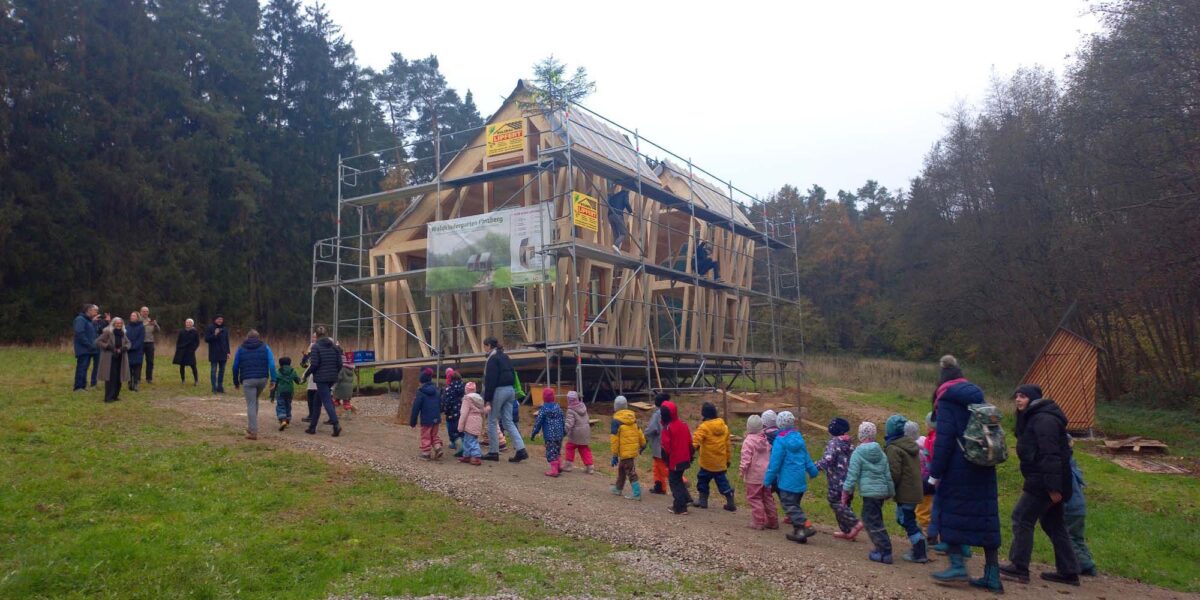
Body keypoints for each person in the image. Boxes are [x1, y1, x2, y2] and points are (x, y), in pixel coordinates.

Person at [928, 374, 1003, 593]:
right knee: (987, 520)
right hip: (984, 467)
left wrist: (935, 474)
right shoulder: (979, 399)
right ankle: (992, 575)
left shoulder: (948, 402)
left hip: (958, 469)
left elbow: (944, 441)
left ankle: (957, 566)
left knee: (951, 516)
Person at [1000, 384, 1081, 586]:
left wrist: (1054, 487)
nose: (1018, 400)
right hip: (1044, 478)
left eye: (1023, 396)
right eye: (1017, 396)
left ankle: (1019, 567)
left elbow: (1051, 454)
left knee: (1022, 518)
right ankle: (1069, 571)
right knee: (1054, 524)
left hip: (1044, 480)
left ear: (1033, 399)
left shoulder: (1043, 419)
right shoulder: (1035, 417)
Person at [843, 422, 895, 563]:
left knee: (870, 521)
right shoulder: (881, 453)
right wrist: (891, 491)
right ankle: (882, 549)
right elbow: (887, 474)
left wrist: (846, 491)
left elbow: (852, 474)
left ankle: (885, 550)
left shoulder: (858, 453)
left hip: (869, 493)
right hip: (881, 493)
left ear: (861, 435)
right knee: (875, 518)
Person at [764, 411, 819, 543]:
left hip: (787, 482)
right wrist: (813, 471)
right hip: (800, 481)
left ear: (779, 424)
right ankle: (799, 532)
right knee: (795, 506)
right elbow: (806, 457)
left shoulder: (780, 440)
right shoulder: (799, 438)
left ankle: (806, 525)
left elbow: (775, 462)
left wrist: (767, 480)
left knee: (789, 506)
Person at [886, 415, 929, 563]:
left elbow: (894, 472)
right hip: (915, 490)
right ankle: (920, 542)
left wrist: (888, 489)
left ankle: (919, 551)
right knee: (903, 518)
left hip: (906, 492)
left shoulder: (894, 448)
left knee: (907, 520)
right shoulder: (911, 445)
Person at [816, 417, 863, 540]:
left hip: (836, 481)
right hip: (849, 481)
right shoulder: (850, 443)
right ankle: (847, 531)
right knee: (845, 504)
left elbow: (828, 459)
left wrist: (815, 467)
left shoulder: (834, 442)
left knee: (835, 502)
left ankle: (854, 522)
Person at [482, 337, 527, 462]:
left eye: (485, 346)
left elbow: (490, 380)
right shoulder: (505, 357)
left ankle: (493, 451)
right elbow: (512, 373)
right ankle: (521, 449)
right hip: (510, 390)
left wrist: (487, 399)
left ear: (489, 346)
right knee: (508, 422)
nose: (484, 349)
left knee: (492, 420)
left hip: (499, 390)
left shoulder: (492, 359)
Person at [231, 330, 277, 441]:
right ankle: (252, 426)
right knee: (255, 400)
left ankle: (253, 431)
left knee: (251, 404)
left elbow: (235, 366)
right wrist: (273, 379)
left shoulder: (241, 348)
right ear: (258, 337)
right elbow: (271, 364)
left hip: (248, 380)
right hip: (262, 379)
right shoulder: (265, 347)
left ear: (247, 337)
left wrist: (236, 382)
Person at [692, 402, 735, 511]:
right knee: (722, 482)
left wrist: (690, 450)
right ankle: (730, 500)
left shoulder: (704, 427)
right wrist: (728, 460)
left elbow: (695, 441)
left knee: (702, 480)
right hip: (720, 462)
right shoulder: (724, 427)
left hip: (707, 463)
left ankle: (703, 501)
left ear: (704, 414)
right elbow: (727, 445)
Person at [1064, 441, 1097, 577]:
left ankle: (1085, 564)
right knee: (1078, 538)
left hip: (1070, 508)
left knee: (1068, 537)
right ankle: (1088, 561)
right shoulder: (1073, 467)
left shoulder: (1065, 470)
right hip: (1079, 508)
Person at [739, 414, 777, 530]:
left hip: (754, 476)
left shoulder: (748, 442)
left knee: (754, 498)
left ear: (748, 427)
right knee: (767, 498)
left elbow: (746, 458)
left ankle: (758, 521)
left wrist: (742, 470)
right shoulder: (765, 440)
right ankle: (773, 521)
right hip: (766, 474)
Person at [303, 327, 342, 437]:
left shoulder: (316, 347)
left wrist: (306, 374)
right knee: (317, 401)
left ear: (317, 335)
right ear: (326, 334)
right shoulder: (334, 346)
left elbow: (314, 364)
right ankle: (312, 427)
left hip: (321, 378)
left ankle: (336, 424)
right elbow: (340, 363)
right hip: (332, 377)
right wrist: (334, 373)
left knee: (327, 401)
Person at [660, 400, 695, 515]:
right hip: (685, 458)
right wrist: (691, 455)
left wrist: (665, 460)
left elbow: (666, 447)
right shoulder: (683, 424)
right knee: (679, 480)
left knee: (674, 482)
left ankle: (680, 507)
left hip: (674, 460)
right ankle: (686, 499)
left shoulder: (668, 428)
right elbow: (690, 442)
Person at [608, 395, 646, 498]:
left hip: (625, 451)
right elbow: (639, 431)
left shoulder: (616, 421)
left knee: (630, 471)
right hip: (632, 449)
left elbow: (614, 439)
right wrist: (643, 443)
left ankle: (637, 493)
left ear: (616, 407)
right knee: (622, 469)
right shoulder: (632, 417)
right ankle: (618, 488)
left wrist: (615, 454)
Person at [531, 388, 567, 477]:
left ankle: (554, 470)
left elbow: (538, 421)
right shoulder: (558, 407)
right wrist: (564, 431)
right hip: (559, 434)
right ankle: (559, 465)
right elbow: (563, 419)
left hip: (549, 435)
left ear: (544, 398)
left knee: (551, 452)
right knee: (557, 450)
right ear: (553, 397)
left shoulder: (543, 409)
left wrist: (534, 432)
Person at [409, 367, 443, 459]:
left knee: (426, 435)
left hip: (426, 419)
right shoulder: (436, 390)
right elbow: (440, 403)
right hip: (436, 417)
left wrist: (413, 421)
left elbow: (416, 408)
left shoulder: (420, 392)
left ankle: (426, 453)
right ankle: (438, 447)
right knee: (434, 434)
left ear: (421, 381)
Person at [95, 317, 131, 403]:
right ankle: (108, 397)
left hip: (120, 358)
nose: (119, 325)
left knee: (119, 377)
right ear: (113, 324)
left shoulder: (123, 333)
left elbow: (128, 343)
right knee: (111, 378)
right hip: (110, 359)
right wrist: (108, 346)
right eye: (117, 323)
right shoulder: (108, 332)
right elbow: (98, 341)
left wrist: (124, 348)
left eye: (120, 323)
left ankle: (115, 396)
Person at [643, 392, 670, 493]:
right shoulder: (670, 412)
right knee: (656, 466)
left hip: (659, 444)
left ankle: (682, 480)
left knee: (663, 467)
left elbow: (652, 429)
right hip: (667, 444)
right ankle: (659, 486)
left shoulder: (657, 414)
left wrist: (645, 434)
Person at [562, 390, 594, 474]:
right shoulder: (583, 407)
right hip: (586, 431)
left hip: (576, 432)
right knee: (584, 448)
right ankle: (590, 466)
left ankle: (568, 465)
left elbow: (569, 423)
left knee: (570, 447)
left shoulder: (571, 410)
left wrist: (564, 431)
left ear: (568, 400)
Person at [456, 383, 488, 466]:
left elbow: (464, 413)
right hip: (478, 421)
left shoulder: (467, 399)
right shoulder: (480, 399)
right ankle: (467, 455)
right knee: (468, 439)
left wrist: (460, 426)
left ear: (466, 390)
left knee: (471, 440)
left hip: (469, 422)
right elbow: (482, 412)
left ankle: (476, 456)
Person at [916, 412, 935, 537]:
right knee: (931, 506)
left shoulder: (931, 440)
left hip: (928, 479)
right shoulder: (927, 439)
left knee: (922, 510)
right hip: (934, 479)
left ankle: (927, 534)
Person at [73, 304, 100, 391]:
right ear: (88, 310)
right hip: (83, 349)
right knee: (82, 367)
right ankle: (78, 387)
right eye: (94, 311)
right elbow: (80, 334)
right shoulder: (80, 319)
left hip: (89, 349)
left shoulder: (89, 321)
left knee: (84, 368)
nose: (96, 313)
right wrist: (89, 345)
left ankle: (83, 386)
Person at [272, 356, 302, 430]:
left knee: (281, 405)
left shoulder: (277, 371)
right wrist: (303, 379)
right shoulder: (293, 371)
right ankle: (287, 420)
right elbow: (298, 381)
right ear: (289, 363)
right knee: (288, 405)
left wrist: (272, 394)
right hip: (290, 392)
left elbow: (274, 384)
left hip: (280, 392)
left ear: (280, 363)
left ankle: (283, 420)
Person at [442, 369, 466, 454]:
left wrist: (445, 410)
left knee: (453, 431)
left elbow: (447, 401)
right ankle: (464, 445)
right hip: (462, 413)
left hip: (452, 413)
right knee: (461, 430)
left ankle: (458, 447)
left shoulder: (449, 388)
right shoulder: (463, 388)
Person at [204, 315, 230, 393]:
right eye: (218, 319)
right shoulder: (210, 327)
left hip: (223, 353)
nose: (220, 321)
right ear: (215, 320)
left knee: (222, 371)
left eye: (221, 319)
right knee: (213, 370)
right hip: (214, 353)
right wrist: (215, 334)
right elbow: (206, 339)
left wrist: (228, 352)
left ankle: (220, 387)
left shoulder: (225, 328)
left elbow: (227, 341)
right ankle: (214, 388)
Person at [172, 319, 200, 385]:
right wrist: (178, 349)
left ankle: (196, 381)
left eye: (190, 322)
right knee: (182, 366)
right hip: (182, 351)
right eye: (187, 322)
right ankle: (183, 380)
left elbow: (197, 342)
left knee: (193, 366)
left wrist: (193, 349)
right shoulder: (182, 331)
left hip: (190, 351)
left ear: (192, 324)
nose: (188, 323)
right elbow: (178, 341)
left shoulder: (195, 332)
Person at [300, 333, 318, 424]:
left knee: (312, 395)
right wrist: (304, 359)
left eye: (315, 337)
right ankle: (312, 415)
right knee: (312, 395)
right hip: (314, 374)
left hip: (316, 374)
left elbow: (312, 363)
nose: (313, 338)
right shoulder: (311, 346)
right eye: (313, 337)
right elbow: (305, 362)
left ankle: (312, 416)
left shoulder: (315, 347)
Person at [126, 312, 146, 391]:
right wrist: (128, 346)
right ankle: (130, 382)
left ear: (137, 317)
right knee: (129, 367)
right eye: (131, 316)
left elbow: (140, 339)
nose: (132, 317)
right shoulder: (127, 327)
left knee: (137, 367)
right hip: (128, 350)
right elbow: (125, 338)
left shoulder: (141, 327)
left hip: (137, 350)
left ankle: (136, 383)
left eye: (134, 316)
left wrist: (134, 346)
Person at [139, 307, 160, 384]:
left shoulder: (150, 320)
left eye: (147, 311)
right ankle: (137, 378)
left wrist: (156, 324)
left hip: (150, 343)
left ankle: (149, 378)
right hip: (140, 343)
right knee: (139, 361)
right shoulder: (138, 321)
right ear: (140, 312)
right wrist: (146, 324)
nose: (145, 313)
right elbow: (138, 329)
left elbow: (158, 331)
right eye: (144, 311)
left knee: (150, 361)